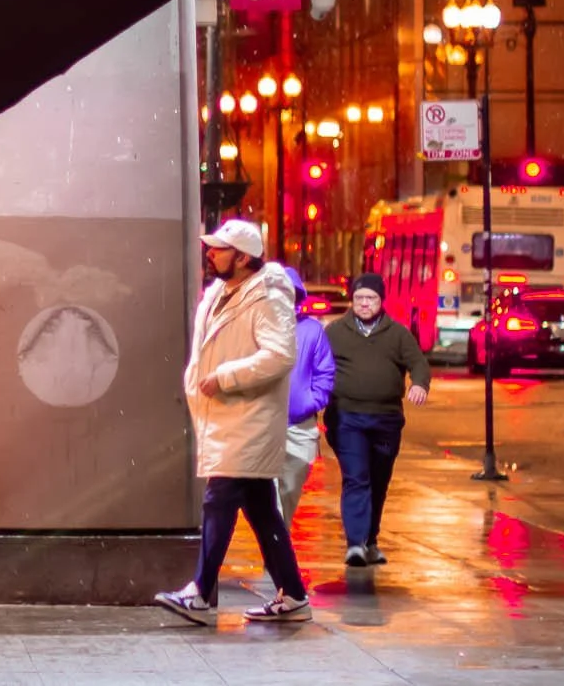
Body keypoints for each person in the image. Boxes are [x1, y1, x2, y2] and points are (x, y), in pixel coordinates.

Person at [154, 220, 312, 625]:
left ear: (242, 257)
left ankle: (201, 595)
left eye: (219, 249)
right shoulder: (221, 292)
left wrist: (225, 376)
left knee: (219, 499)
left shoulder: (267, 297)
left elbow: (279, 355)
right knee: (261, 509)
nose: (210, 253)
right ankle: (293, 595)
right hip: (228, 415)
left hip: (248, 418)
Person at [323, 273, 430, 568]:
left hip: (386, 420)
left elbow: (418, 363)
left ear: (381, 302)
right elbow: (318, 365)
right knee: (357, 477)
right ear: (352, 300)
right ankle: (355, 543)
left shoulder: (397, 334)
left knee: (378, 480)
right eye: (359, 298)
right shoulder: (335, 332)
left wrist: (419, 384)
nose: (365, 303)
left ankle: (370, 540)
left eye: (371, 298)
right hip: (348, 418)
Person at [279, 268, 337, 528]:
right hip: (262, 426)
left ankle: (276, 558)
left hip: (299, 429)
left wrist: (310, 402)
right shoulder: (256, 326)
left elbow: (324, 372)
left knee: (289, 493)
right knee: (269, 501)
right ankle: (274, 560)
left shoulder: (312, 330)